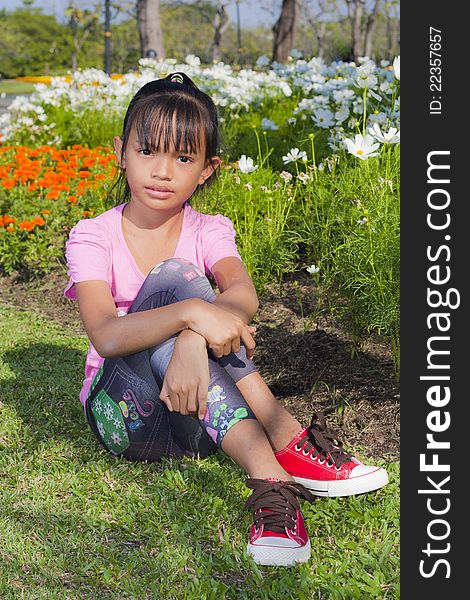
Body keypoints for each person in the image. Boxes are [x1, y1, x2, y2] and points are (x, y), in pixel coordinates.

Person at [64, 72, 388, 567]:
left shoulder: (210, 229)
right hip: (125, 417)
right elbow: (107, 336)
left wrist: (193, 339)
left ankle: (283, 464)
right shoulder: (92, 236)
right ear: (120, 151)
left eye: (184, 158)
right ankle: (278, 464)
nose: (163, 171)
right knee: (180, 278)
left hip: (202, 424)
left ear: (208, 169)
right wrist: (195, 313)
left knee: (191, 298)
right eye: (147, 151)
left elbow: (242, 293)